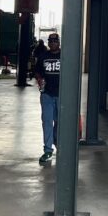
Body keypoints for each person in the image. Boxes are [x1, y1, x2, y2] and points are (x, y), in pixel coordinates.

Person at [34, 33, 61, 164]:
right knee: (47, 121)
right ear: (48, 43)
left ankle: (57, 140)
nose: (53, 43)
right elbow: (37, 71)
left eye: (55, 41)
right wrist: (39, 79)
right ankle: (48, 150)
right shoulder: (43, 56)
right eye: (51, 41)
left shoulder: (64, 56)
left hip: (62, 95)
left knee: (59, 121)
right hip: (47, 94)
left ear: (59, 43)